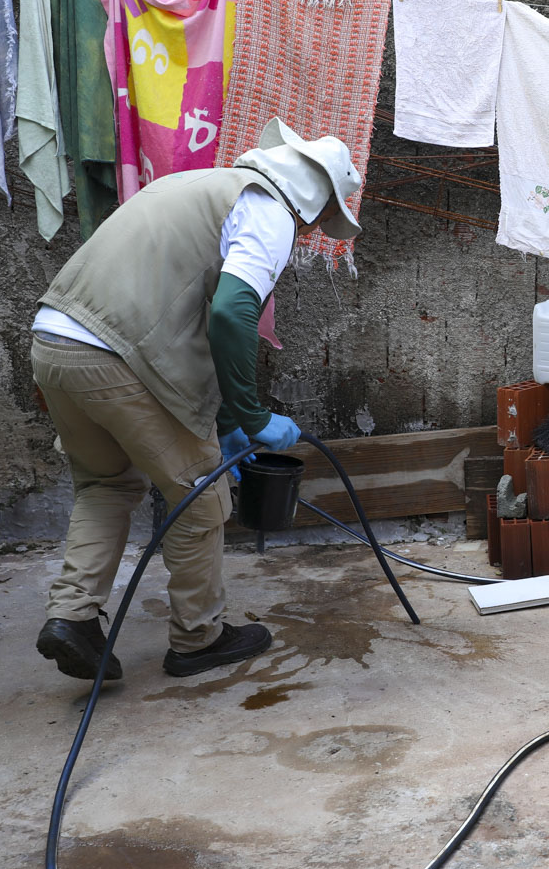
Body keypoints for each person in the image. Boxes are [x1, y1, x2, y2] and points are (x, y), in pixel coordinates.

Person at [30, 119, 362, 681]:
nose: (309, 230)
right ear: (312, 202)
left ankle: (72, 617)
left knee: (106, 485)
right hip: (119, 355)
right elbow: (232, 314)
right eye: (318, 219)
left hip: (54, 340)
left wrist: (229, 420)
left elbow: (197, 312)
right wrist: (256, 419)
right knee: (200, 495)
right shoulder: (268, 212)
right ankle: (197, 638)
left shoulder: (194, 186)